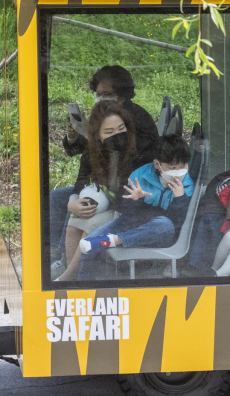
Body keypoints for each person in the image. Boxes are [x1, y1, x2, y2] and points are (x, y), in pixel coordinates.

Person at [50, 65, 160, 262]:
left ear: (122, 93)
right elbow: (80, 154)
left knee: (84, 205)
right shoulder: (103, 113)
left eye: (107, 93)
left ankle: (63, 259)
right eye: (98, 94)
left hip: (123, 193)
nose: (101, 98)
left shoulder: (135, 118)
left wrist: (93, 134)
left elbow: (124, 151)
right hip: (105, 185)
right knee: (59, 198)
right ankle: (58, 253)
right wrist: (74, 135)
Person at [76, 135, 194, 281]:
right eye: (172, 168)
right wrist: (137, 200)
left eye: (183, 167)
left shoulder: (187, 184)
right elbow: (128, 214)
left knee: (164, 224)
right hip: (134, 224)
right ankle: (83, 286)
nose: (178, 172)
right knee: (90, 242)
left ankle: (116, 240)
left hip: (159, 234)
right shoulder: (140, 176)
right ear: (157, 164)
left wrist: (179, 199)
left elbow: (177, 222)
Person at [53, 102, 147, 282]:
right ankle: (70, 271)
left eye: (121, 129)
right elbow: (81, 180)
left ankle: (67, 278)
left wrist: (112, 222)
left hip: (126, 208)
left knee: (89, 227)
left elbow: (128, 196)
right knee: (75, 221)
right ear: (97, 135)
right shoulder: (92, 151)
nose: (117, 135)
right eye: (109, 132)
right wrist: (72, 203)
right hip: (108, 202)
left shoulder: (137, 152)